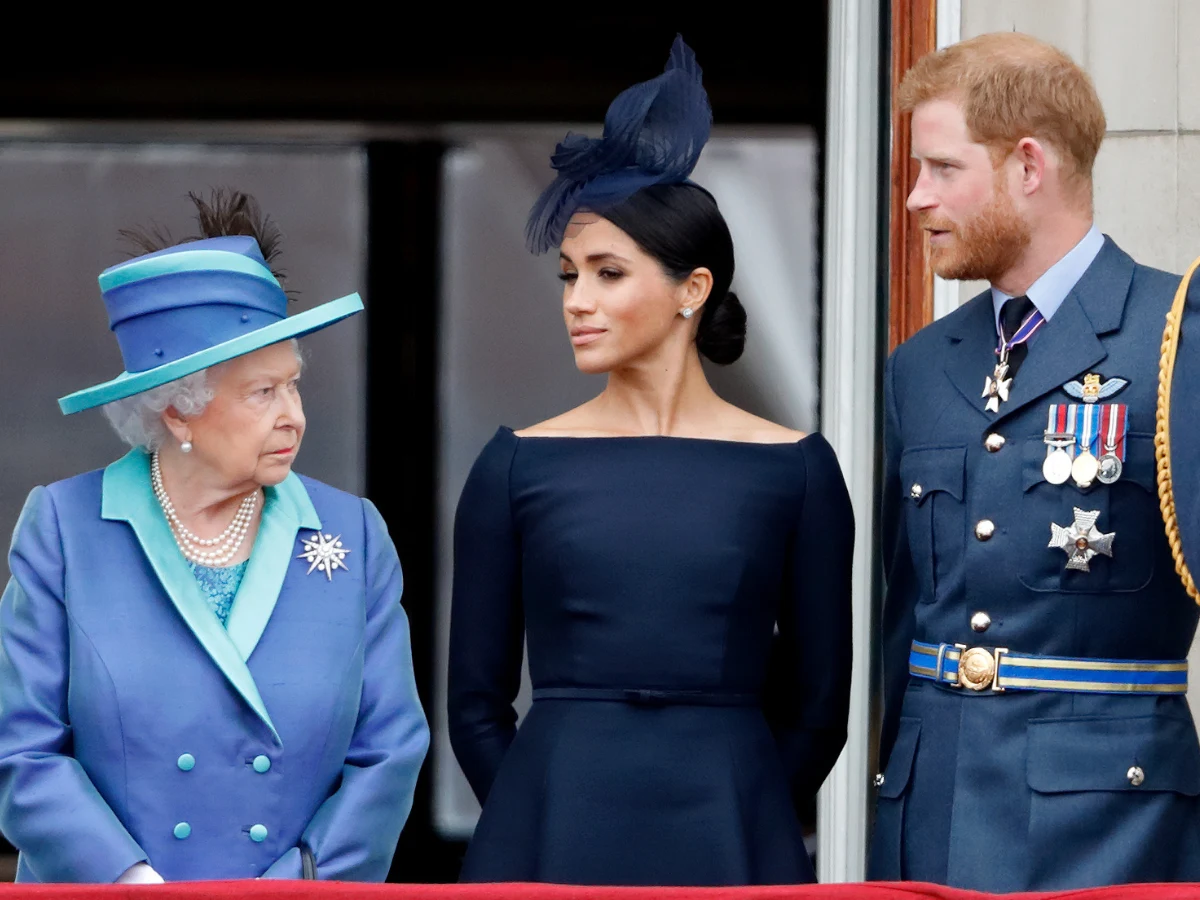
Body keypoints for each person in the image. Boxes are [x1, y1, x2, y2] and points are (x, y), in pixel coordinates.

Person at [447, 36, 854, 886]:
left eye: (606, 273)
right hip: (547, 836)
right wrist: (535, 807)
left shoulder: (799, 471)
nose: (577, 302)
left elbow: (821, 711)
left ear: (691, 290)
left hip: (731, 834)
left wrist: (747, 807)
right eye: (567, 276)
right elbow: (475, 707)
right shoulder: (515, 466)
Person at [0, 190, 430, 883]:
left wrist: (297, 884)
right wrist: (130, 883)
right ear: (178, 411)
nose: (294, 417)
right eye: (263, 393)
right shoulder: (65, 530)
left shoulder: (354, 533)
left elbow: (389, 752)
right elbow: (20, 749)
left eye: (294, 387)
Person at [869, 32, 1200, 890]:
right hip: (929, 807)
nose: (914, 197)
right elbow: (906, 615)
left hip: (1105, 822)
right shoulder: (923, 363)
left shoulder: (1177, 335)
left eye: (942, 169)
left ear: (1027, 166)